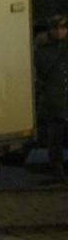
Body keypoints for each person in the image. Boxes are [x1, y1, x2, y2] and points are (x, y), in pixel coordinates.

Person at [37, 15, 68, 182]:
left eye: (63, 28)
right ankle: (58, 171)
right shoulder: (43, 50)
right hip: (53, 102)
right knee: (55, 139)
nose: (60, 31)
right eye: (56, 28)